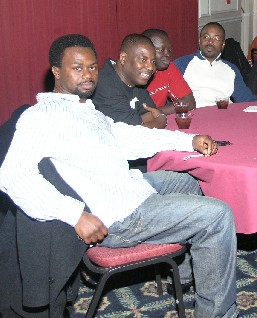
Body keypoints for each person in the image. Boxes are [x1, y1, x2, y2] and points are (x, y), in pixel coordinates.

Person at [0, 34, 239, 318]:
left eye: (92, 67)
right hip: (119, 217)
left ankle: (186, 271)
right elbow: (12, 175)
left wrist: (188, 142)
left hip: (127, 188)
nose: (88, 75)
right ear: (56, 72)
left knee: (187, 178)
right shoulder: (41, 116)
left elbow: (126, 136)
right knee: (219, 215)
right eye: (77, 68)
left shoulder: (84, 109)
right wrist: (74, 214)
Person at [174, 22, 257, 108]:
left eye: (216, 38)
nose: (210, 42)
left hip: (225, 115)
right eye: (206, 37)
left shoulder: (231, 69)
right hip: (196, 116)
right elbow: (171, 99)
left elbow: (246, 98)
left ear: (223, 44)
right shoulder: (182, 64)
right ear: (199, 41)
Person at [92, 34, 166, 129]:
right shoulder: (105, 85)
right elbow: (131, 132)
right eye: (143, 59)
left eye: (153, 62)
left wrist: (143, 121)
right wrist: (161, 120)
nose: (151, 67)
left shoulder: (134, 79)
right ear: (123, 58)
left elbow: (151, 112)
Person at [142, 28, 196, 114]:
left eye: (170, 50)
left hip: (158, 121)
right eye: (161, 50)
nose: (168, 54)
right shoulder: (135, 74)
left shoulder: (169, 68)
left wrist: (157, 112)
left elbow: (189, 102)